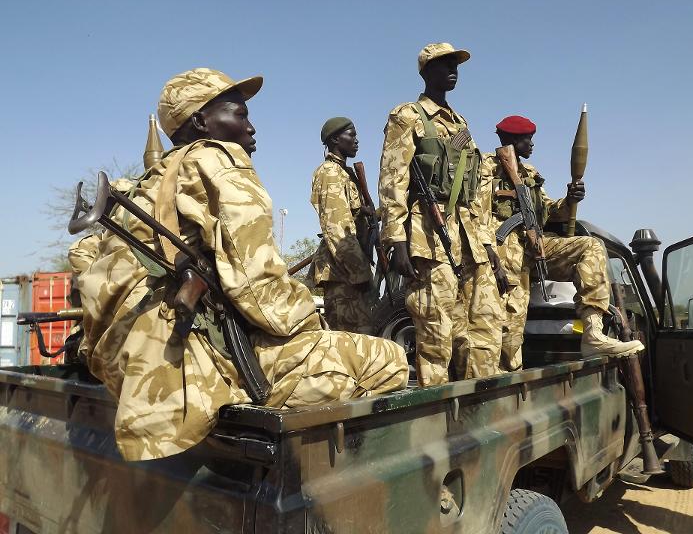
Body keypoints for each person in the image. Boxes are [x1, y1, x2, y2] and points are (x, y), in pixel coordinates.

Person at [75, 68, 408, 461]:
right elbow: (259, 288)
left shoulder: (153, 178)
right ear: (201, 121)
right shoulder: (218, 160)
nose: (251, 127)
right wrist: (309, 321)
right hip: (205, 364)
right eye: (240, 115)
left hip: (141, 368)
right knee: (391, 360)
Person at [378, 43, 505, 387]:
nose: (452, 70)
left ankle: (481, 400)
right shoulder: (407, 115)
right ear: (425, 72)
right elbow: (393, 179)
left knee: (484, 326)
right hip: (428, 235)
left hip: (469, 237)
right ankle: (436, 408)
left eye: (455, 65)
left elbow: (474, 188)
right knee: (436, 326)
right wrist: (396, 240)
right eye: (443, 65)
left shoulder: (461, 122)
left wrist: (488, 242)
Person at [478, 115, 644, 370]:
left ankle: (592, 333)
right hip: (504, 253)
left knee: (589, 247)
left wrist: (569, 201)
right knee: (509, 328)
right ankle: (501, 380)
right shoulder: (486, 167)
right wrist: (491, 254)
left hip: (535, 246)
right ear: (508, 138)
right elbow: (476, 212)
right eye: (526, 139)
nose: (532, 144)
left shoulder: (530, 174)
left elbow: (547, 211)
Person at [310, 117, 375, 334]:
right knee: (349, 342)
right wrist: (361, 272)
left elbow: (352, 216)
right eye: (352, 135)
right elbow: (337, 228)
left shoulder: (345, 173)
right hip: (343, 274)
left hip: (349, 272)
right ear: (335, 139)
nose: (357, 140)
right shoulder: (330, 173)